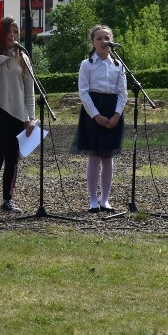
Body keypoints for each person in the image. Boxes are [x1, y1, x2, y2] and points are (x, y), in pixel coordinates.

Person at [0, 16, 35, 215]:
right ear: (0, 34)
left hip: (18, 114)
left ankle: (7, 199)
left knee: (13, 158)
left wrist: (31, 117)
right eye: (8, 32)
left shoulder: (22, 57)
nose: (12, 35)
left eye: (15, 32)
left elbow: (29, 90)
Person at [70, 24, 127, 213]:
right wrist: (96, 115)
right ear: (93, 42)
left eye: (107, 38)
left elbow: (123, 92)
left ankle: (105, 199)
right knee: (94, 155)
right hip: (93, 110)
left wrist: (117, 114)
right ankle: (93, 200)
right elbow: (83, 92)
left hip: (113, 109)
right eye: (100, 38)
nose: (104, 41)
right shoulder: (87, 64)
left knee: (107, 155)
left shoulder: (118, 65)